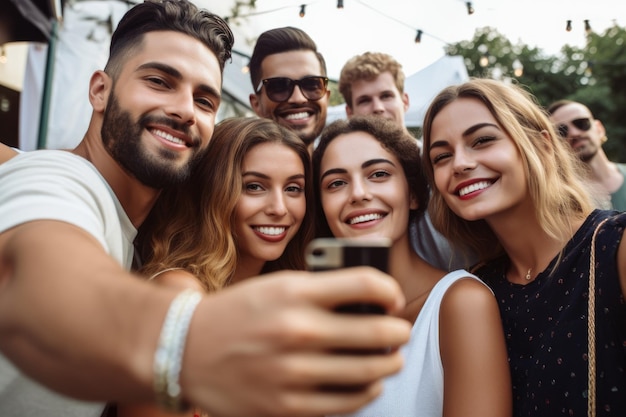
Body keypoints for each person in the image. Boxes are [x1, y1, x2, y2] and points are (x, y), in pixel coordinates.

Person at [0, 2, 412, 417]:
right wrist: (188, 339)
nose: (183, 110)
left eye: (204, 100)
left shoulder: (138, 228)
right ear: (99, 90)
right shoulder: (62, 181)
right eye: (160, 81)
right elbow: (38, 271)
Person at [421, 78, 626, 416]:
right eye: (441, 156)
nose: (459, 163)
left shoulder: (614, 247)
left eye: (483, 140)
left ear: (542, 145)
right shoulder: (474, 288)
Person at [312, 115, 511, 417]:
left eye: (378, 174)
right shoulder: (314, 319)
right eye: (336, 183)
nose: (358, 194)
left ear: (414, 194)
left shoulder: (459, 302)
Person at [118, 117, 314, 417]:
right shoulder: (179, 294)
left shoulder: (287, 302)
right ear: (214, 192)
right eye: (254, 186)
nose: (279, 208)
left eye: (293, 189)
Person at [338, 51, 472, 270]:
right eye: (365, 100)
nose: (378, 107)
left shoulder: (443, 162)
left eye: (386, 96)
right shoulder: (353, 184)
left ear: (405, 101)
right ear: (350, 113)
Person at [248, 26, 330, 151]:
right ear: (256, 104)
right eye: (279, 86)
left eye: (311, 84)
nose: (298, 98)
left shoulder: (346, 168)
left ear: (326, 97)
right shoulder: (230, 169)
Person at [547, 99, 626, 211]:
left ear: (599, 129)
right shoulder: (563, 201)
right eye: (561, 131)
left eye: (581, 123)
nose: (574, 133)